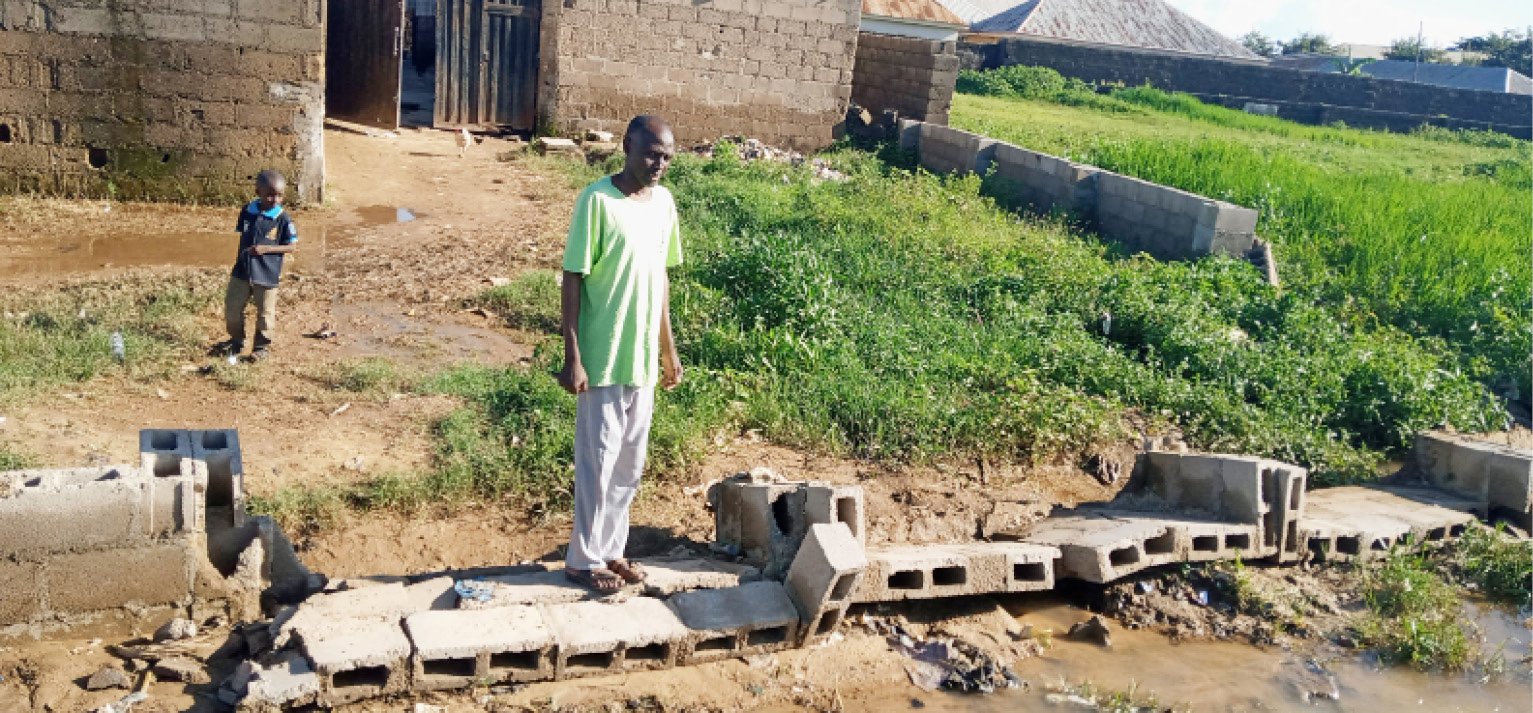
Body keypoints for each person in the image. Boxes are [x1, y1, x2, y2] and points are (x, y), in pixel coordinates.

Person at [557, 115, 684, 592]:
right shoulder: (596, 201)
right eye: (652, 154)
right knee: (599, 460)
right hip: (602, 354)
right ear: (628, 146)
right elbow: (574, 275)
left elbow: (661, 279)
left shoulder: (664, 204)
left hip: (642, 358)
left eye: (667, 158)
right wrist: (573, 354)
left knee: (629, 465)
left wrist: (668, 351)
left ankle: (612, 551)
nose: (659, 165)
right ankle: (581, 559)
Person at [218, 170, 298, 361]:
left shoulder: (283, 219)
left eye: (279, 195)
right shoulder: (247, 212)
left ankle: (261, 348)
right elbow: (243, 236)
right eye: (269, 194)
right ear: (258, 192)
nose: (274, 199)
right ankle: (236, 340)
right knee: (232, 308)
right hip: (242, 271)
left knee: (265, 315)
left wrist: (266, 249)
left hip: (267, 274)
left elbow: (292, 246)